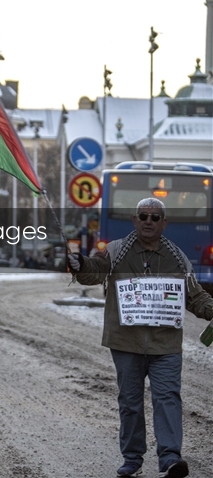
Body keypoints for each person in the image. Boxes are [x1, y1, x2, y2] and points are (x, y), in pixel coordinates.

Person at [69, 197, 213, 478]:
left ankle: (171, 458)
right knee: (130, 402)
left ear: (164, 223)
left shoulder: (177, 257)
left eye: (155, 217)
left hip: (166, 344)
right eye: (143, 216)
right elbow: (94, 272)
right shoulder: (116, 250)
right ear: (134, 221)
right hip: (125, 343)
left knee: (168, 397)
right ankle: (132, 458)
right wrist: (79, 264)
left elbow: (195, 296)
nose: (148, 221)